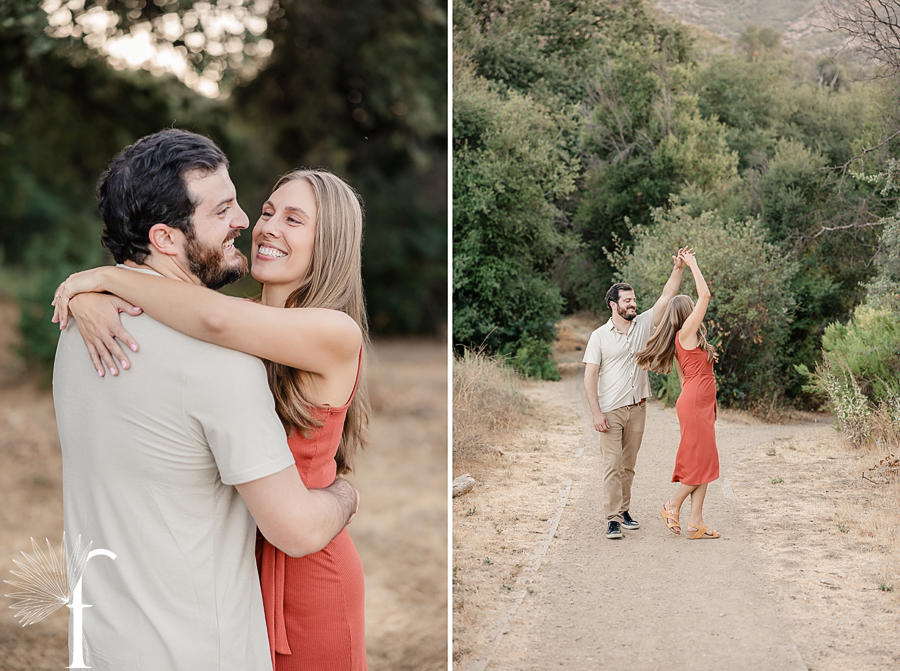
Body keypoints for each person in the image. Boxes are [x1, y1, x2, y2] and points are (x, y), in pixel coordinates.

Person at [50, 129, 359, 670]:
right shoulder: (218, 349)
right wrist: (96, 289)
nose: (250, 222)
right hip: (215, 611)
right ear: (167, 238)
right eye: (241, 210)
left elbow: (210, 317)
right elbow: (209, 317)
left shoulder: (77, 338)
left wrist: (101, 280)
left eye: (294, 219)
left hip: (295, 574)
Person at [582, 249, 689, 540]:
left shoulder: (642, 324)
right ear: (613, 305)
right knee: (612, 465)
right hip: (610, 410)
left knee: (628, 465)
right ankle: (612, 519)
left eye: (634, 300)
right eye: (627, 300)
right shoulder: (599, 337)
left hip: (638, 408)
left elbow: (667, 296)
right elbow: (589, 375)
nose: (633, 304)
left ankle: (624, 510)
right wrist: (596, 413)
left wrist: (678, 268)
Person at [635, 250, 721, 540]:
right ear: (687, 312)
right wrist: (694, 264)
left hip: (697, 401)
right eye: (693, 307)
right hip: (696, 402)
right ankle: (672, 506)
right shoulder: (685, 332)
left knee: (706, 461)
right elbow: (706, 295)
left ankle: (696, 522)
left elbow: (686, 380)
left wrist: (705, 403)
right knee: (701, 462)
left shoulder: (690, 339)